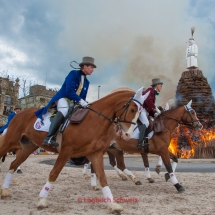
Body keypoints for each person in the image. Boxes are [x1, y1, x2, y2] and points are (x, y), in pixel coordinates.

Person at [35, 56, 96, 148]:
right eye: (91, 67)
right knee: (64, 110)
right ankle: (49, 137)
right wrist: (80, 101)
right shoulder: (73, 74)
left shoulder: (87, 82)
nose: (92, 70)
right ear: (85, 66)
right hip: (63, 97)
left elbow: (82, 97)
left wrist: (84, 103)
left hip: (74, 101)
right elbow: (69, 91)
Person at [137, 78, 163, 149]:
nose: (161, 87)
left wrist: (154, 114)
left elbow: (150, 107)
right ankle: (140, 143)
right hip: (142, 110)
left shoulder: (153, 93)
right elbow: (148, 101)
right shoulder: (150, 90)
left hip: (146, 112)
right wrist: (155, 108)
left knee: (151, 123)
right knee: (146, 123)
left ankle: (146, 142)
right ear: (157, 85)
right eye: (161, 85)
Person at [0, 105, 22, 174]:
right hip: (10, 127)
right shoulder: (11, 115)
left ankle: (18, 168)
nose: (18, 110)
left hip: (19, 129)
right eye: (17, 109)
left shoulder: (22, 115)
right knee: (4, 132)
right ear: (15, 110)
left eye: (19, 109)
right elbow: (9, 122)